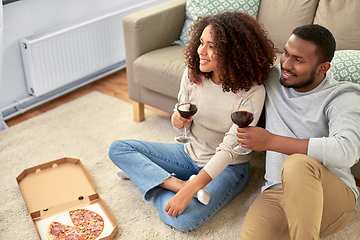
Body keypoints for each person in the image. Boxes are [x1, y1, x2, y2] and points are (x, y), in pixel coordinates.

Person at [108, 11, 276, 232]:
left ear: (234, 52)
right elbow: (180, 117)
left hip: (228, 168)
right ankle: (176, 183)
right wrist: (177, 119)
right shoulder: (193, 74)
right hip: (187, 154)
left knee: (184, 219)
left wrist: (190, 192)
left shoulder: (251, 92)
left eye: (211, 46)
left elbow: (229, 150)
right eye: (200, 42)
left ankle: (151, 179)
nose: (200, 51)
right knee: (119, 149)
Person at [236, 24, 360, 239]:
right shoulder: (274, 77)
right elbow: (230, 66)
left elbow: (346, 151)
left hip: (330, 195)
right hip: (276, 192)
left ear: (323, 68)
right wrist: (195, 69)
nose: (286, 64)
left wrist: (271, 141)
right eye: (286, 53)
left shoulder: (343, 96)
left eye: (298, 60)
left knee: (296, 163)